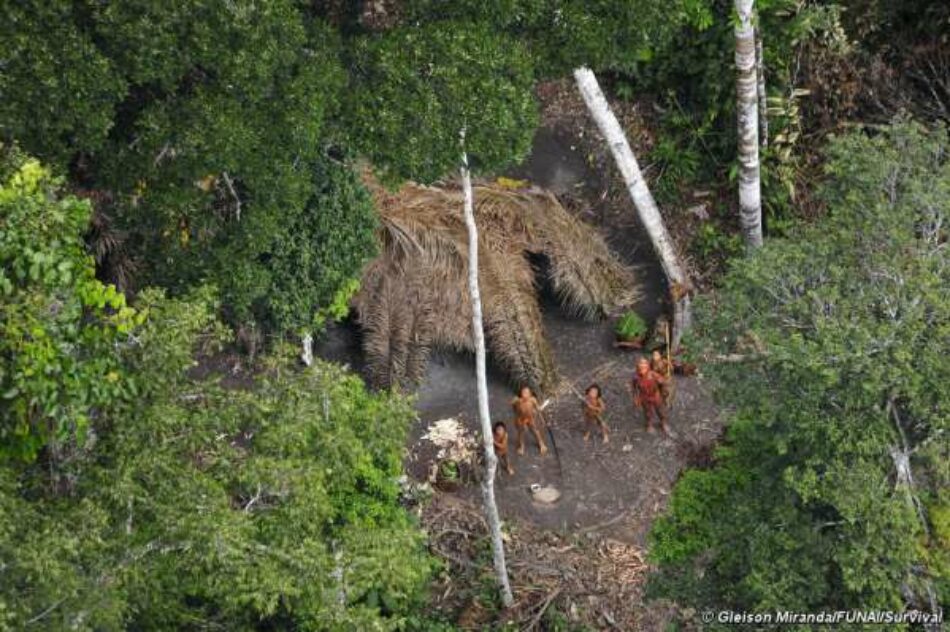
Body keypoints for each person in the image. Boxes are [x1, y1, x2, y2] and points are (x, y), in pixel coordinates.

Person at [631, 357, 669, 434]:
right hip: (644, 397)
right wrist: (635, 397)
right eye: (640, 364)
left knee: (660, 411)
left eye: (644, 364)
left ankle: (663, 423)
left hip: (655, 396)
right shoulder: (636, 377)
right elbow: (634, 388)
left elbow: (663, 382)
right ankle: (649, 424)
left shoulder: (653, 374)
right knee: (648, 412)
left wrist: (663, 386)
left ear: (648, 366)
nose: (642, 366)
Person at [511, 386, 548, 456]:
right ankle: (522, 446)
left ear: (530, 394)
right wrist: (515, 407)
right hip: (521, 419)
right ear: (520, 393)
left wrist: (540, 415)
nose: (525, 394)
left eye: (527, 392)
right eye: (524, 392)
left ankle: (541, 443)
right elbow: (512, 405)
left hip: (530, 418)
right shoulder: (518, 400)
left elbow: (537, 408)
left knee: (535, 431)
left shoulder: (533, 400)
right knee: (521, 433)